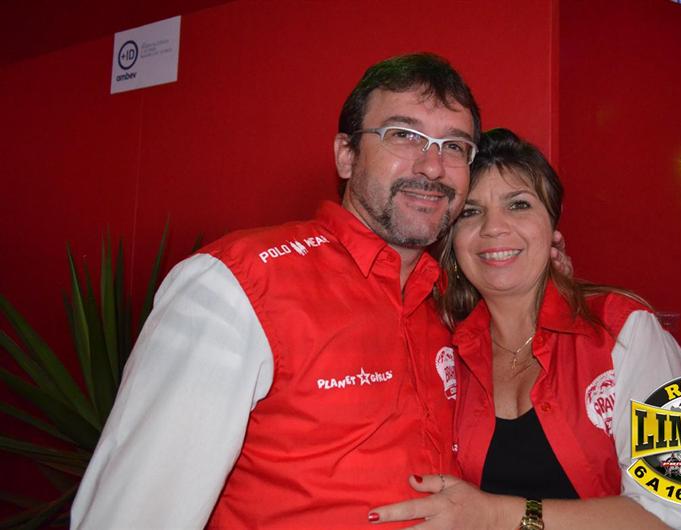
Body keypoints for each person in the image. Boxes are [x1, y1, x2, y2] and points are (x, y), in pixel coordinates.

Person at [70, 56, 569, 529]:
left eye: (454, 146)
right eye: (403, 135)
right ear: (346, 155)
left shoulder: (451, 301)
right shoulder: (239, 285)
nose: (433, 167)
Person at [369, 129, 681, 529]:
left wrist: (497, 515)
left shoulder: (628, 332)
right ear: (452, 243)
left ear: (552, 228)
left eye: (518, 204)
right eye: (470, 212)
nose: (493, 228)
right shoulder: (448, 354)